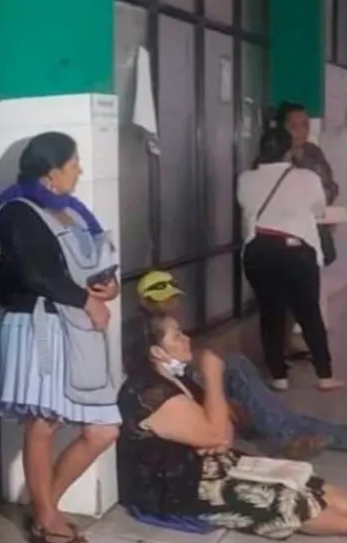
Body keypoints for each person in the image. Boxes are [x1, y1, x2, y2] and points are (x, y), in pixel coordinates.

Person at [0, 132, 121, 543]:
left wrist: (108, 287)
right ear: (50, 173)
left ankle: (45, 507)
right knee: (42, 422)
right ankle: (46, 517)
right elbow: (34, 273)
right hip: (39, 327)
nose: (80, 169)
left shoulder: (73, 211)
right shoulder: (16, 213)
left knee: (103, 429)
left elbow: (96, 261)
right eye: (73, 163)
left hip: (76, 326)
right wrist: (86, 300)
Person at [118, 313, 347, 539]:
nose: (187, 339)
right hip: (179, 487)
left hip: (209, 465)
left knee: (301, 479)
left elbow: (224, 435)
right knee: (286, 499)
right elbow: (216, 434)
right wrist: (213, 378)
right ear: (157, 352)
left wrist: (213, 435)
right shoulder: (148, 392)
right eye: (177, 336)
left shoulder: (178, 379)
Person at [136, 270, 347, 460]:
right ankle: (285, 437)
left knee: (282, 416)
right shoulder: (147, 334)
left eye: (173, 299)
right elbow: (176, 378)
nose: (171, 305)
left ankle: (290, 433)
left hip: (192, 381)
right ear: (145, 302)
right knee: (254, 391)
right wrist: (215, 386)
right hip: (183, 392)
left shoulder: (173, 326)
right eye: (162, 301)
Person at [237, 127, 342, 392]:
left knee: (271, 313)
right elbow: (318, 208)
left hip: (258, 251)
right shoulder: (306, 177)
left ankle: (279, 376)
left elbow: (246, 206)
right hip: (295, 250)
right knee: (308, 312)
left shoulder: (246, 179)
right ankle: (325, 375)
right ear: (288, 150)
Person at [280, 102, 339, 352]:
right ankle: (288, 340)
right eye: (294, 126)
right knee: (290, 287)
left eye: (305, 125)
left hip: (314, 228)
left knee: (310, 286)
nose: (301, 131)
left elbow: (331, 185)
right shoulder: (275, 156)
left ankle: (302, 336)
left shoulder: (313, 152)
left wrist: (324, 199)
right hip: (286, 232)